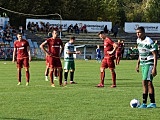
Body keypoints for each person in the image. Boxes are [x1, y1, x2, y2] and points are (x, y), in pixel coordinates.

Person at [135, 26, 157, 108]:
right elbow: (140, 53)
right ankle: (153, 103)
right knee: (149, 82)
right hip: (143, 63)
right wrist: (137, 64)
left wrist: (155, 68)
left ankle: (144, 103)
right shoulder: (138, 40)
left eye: (139, 32)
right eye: (137, 33)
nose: (138, 34)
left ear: (144, 32)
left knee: (144, 81)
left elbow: (155, 55)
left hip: (149, 62)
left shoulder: (149, 41)